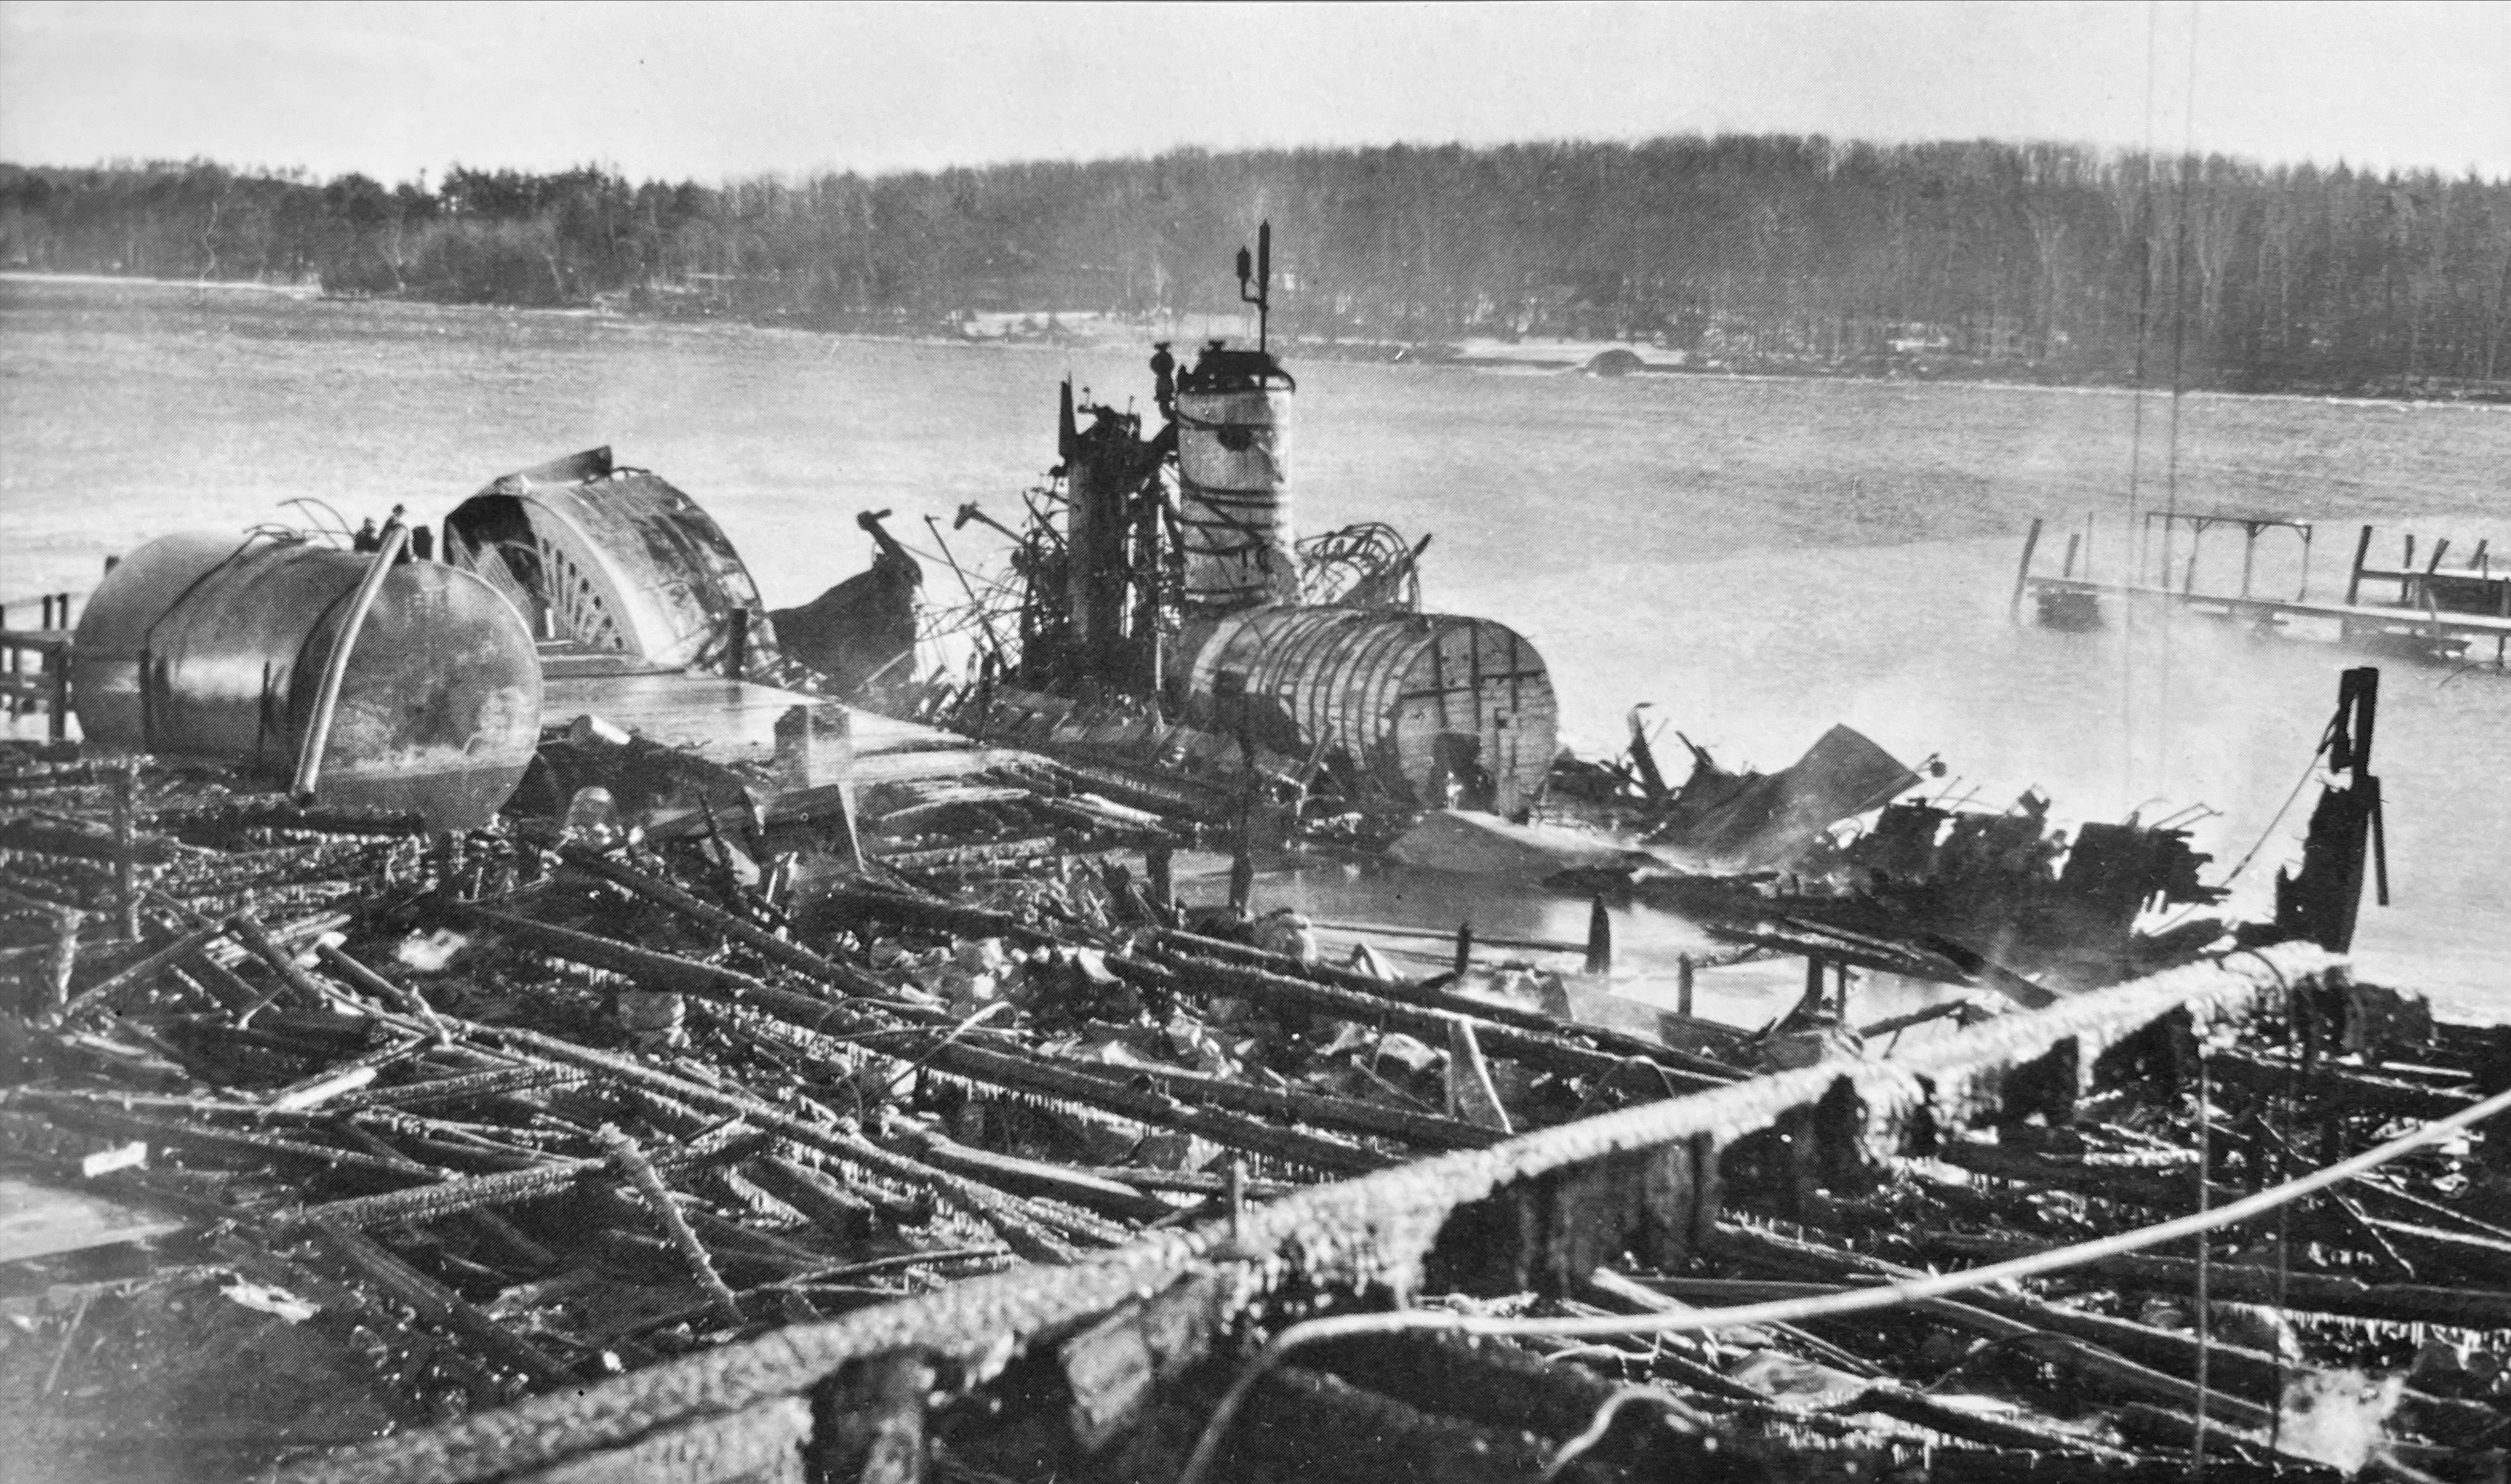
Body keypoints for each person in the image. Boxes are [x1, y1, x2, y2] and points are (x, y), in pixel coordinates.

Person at [1149, 341, 1176, 420]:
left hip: (1163, 379)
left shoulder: (1158, 357)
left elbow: (1153, 365)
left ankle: (1168, 413)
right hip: (1165, 379)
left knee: (1164, 396)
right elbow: (1172, 365)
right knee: (1164, 395)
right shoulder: (1167, 356)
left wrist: (1159, 372)